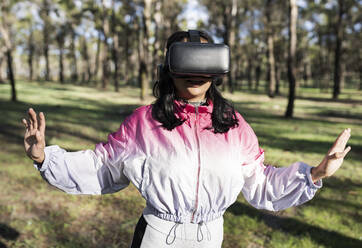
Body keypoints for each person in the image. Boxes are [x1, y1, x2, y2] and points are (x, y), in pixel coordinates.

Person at [22, 30, 351, 248]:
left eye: (204, 59)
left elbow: (260, 183)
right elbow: (101, 167)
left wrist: (315, 173)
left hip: (211, 236)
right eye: (186, 59)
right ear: (169, 66)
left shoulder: (233, 124)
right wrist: (45, 158)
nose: (196, 71)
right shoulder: (144, 122)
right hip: (158, 235)